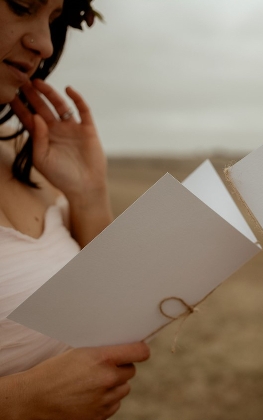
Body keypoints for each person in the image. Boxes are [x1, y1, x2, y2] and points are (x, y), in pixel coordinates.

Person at [0, 0, 150, 419]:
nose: (45, 44)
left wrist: (88, 193)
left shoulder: (21, 152)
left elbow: (110, 306)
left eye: (53, 21)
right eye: (22, 6)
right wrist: (19, 399)